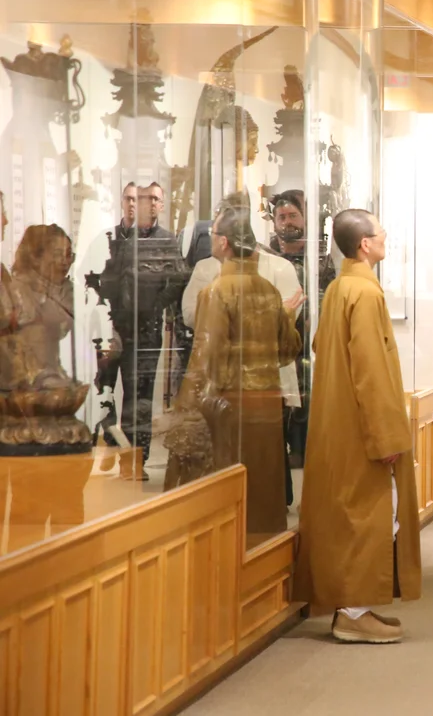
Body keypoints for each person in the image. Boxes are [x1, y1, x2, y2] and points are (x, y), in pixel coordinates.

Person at [293, 209, 421, 645]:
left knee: (352, 511)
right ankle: (351, 611)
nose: (385, 237)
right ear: (365, 244)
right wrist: (385, 434)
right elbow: (370, 369)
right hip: (360, 424)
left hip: (339, 418)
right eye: (381, 232)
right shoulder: (364, 294)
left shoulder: (339, 288)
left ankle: (356, 605)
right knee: (369, 514)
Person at [171, 206, 303, 535]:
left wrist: (185, 411)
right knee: (264, 489)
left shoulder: (218, 291)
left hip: (229, 404)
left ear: (225, 243)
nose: (211, 240)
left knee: (229, 499)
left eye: (215, 234)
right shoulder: (269, 291)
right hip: (266, 401)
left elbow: (206, 358)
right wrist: (285, 318)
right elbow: (287, 351)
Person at [85, 182, 188, 479]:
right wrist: (100, 311)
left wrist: (156, 307)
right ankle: (111, 444)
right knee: (104, 388)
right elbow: (89, 278)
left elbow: (178, 279)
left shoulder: (167, 241)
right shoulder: (107, 238)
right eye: (136, 198)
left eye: (154, 198)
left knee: (139, 397)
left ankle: (134, 462)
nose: (143, 204)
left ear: (162, 204)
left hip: (145, 331)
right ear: (123, 201)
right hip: (109, 328)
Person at [267, 189, 336, 469]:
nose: (287, 222)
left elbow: (328, 293)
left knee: (308, 394)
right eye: (281, 217)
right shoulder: (265, 256)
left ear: (304, 219)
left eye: (293, 215)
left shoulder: (320, 257)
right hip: (275, 340)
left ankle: (304, 451)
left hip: (309, 339)